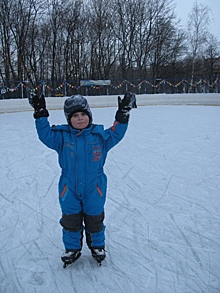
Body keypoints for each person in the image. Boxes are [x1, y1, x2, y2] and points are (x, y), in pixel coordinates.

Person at [28, 92, 134, 267]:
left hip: (95, 188)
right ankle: (72, 248)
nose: (79, 119)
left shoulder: (100, 137)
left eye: (83, 114)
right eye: (75, 115)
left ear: (89, 115)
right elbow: (45, 135)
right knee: (71, 220)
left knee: (95, 219)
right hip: (69, 188)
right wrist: (40, 113)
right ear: (69, 119)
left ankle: (97, 246)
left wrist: (123, 113)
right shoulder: (61, 138)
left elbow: (117, 133)